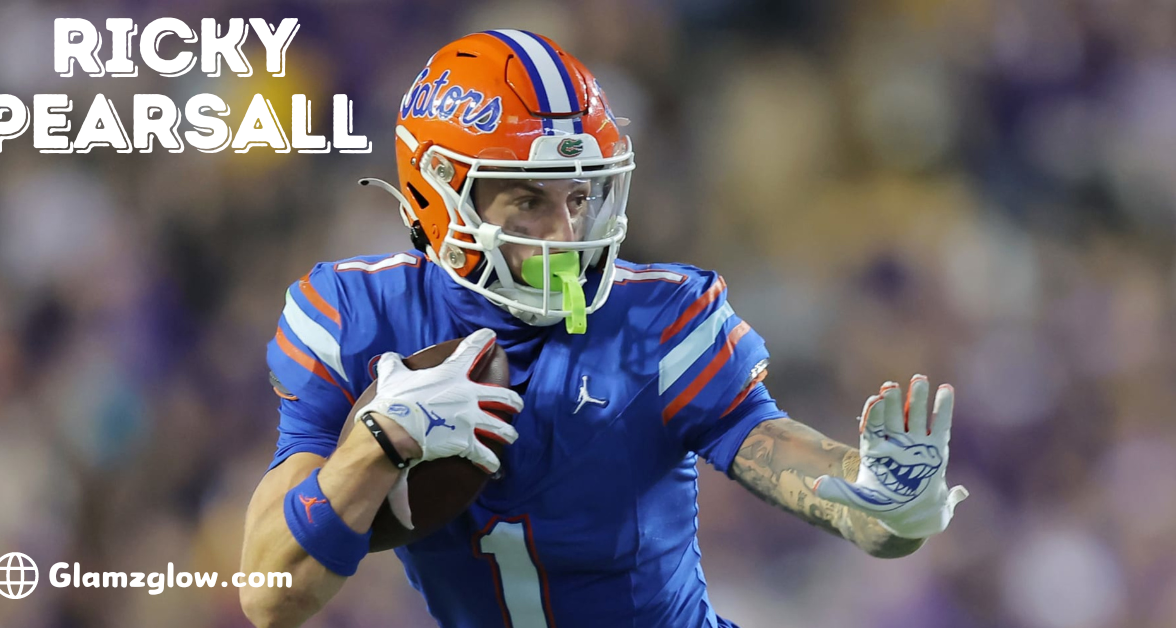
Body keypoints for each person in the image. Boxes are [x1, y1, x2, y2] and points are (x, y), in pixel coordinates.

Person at [239, 29, 968, 628]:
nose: (566, 232)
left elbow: (835, 496)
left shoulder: (659, 321)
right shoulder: (359, 317)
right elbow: (270, 596)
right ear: (436, 195)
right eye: (528, 199)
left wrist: (885, 499)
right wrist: (380, 444)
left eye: (579, 195)